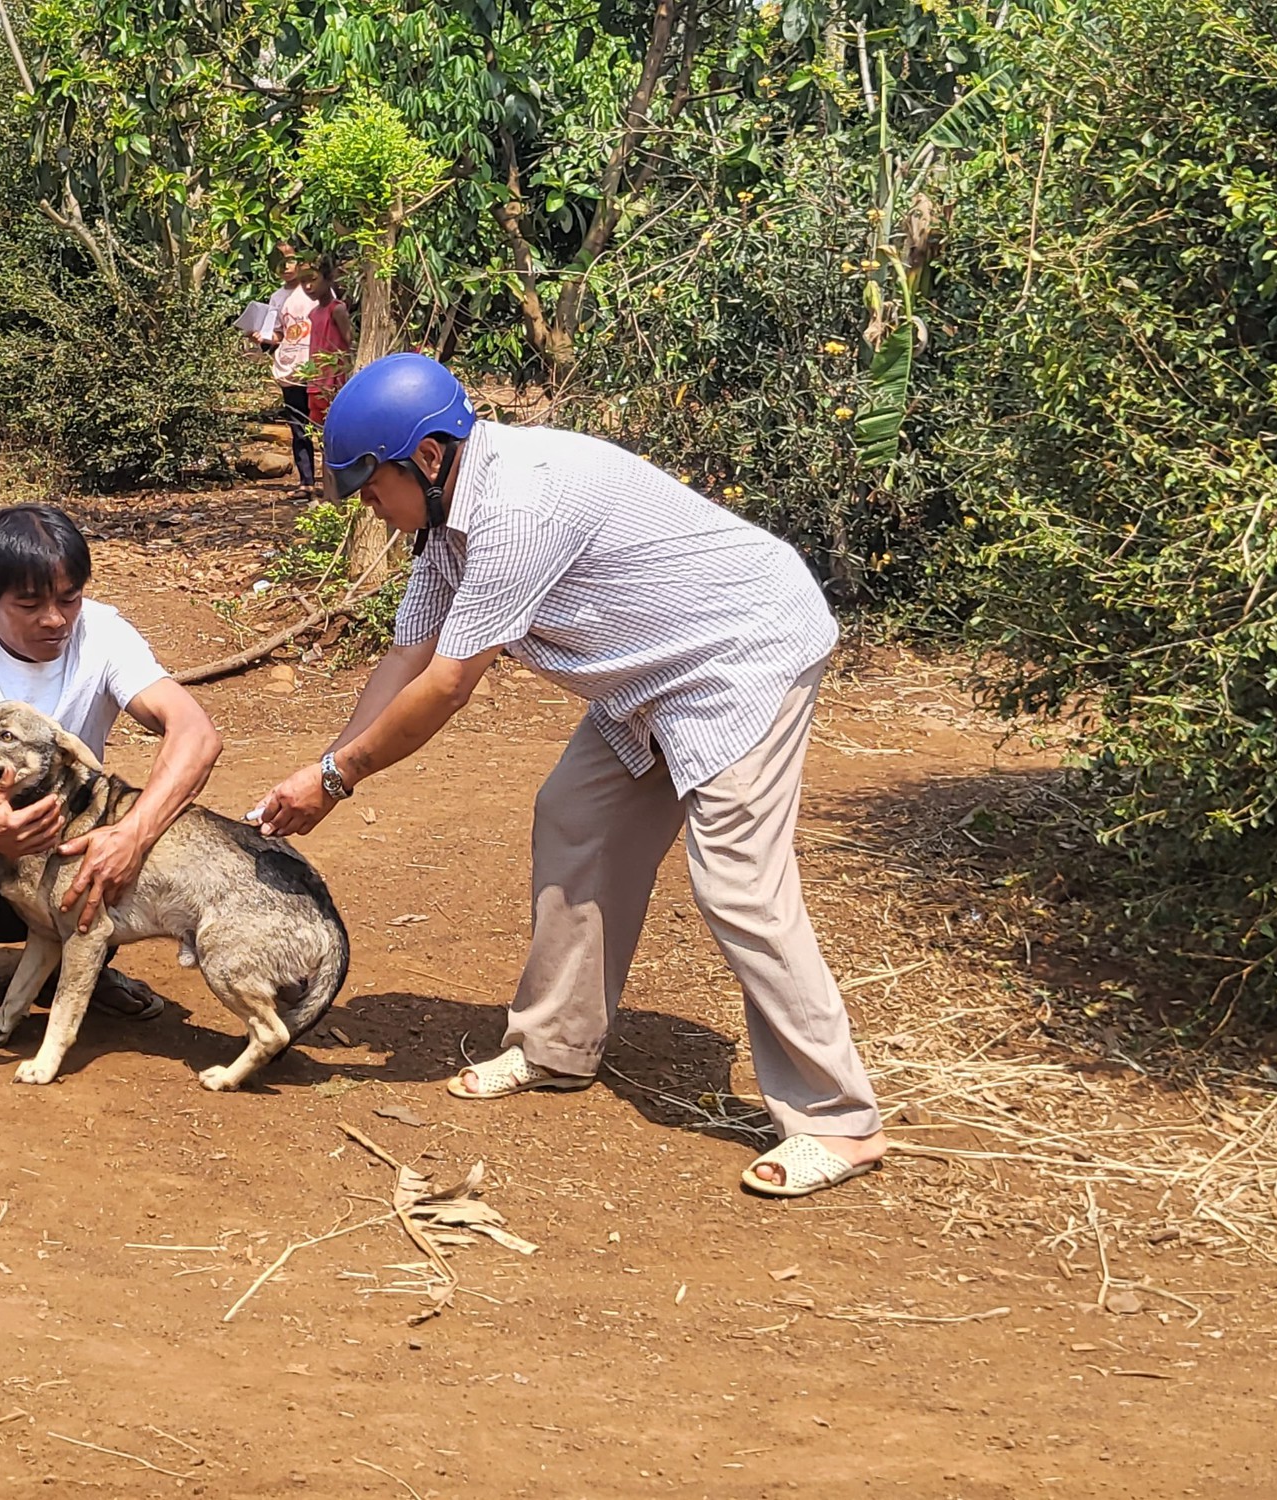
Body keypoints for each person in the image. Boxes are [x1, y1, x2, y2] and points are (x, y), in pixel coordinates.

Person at [253, 354, 887, 1198]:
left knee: (739, 885)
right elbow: (407, 655)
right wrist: (322, 767)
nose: (371, 507)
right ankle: (555, 1046)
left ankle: (839, 1122)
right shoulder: (443, 525)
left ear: (429, 459)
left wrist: (336, 781)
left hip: (743, 654)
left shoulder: (518, 504)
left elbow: (446, 685)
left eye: (373, 488)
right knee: (573, 817)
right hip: (646, 675)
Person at [0, 504, 223, 1046]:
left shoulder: (103, 634)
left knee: (125, 837)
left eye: (70, 598)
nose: (56, 619)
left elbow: (195, 733)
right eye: (30, 604)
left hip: (60, 855)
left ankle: (77, 967)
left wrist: (133, 835)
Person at [258, 244, 320, 494]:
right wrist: (260, 337)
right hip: (290, 370)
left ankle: (336, 483)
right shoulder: (276, 298)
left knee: (326, 425)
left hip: (317, 369)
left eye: (290, 260)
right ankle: (306, 482)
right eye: (279, 262)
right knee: (297, 427)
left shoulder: (315, 291)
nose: (285, 267)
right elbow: (278, 334)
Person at [300, 258, 354, 427]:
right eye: (303, 282)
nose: (308, 286)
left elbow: (349, 343)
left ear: (328, 279)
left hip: (333, 384)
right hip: (315, 384)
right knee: (319, 431)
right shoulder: (314, 313)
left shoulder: (337, 309)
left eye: (313, 280)